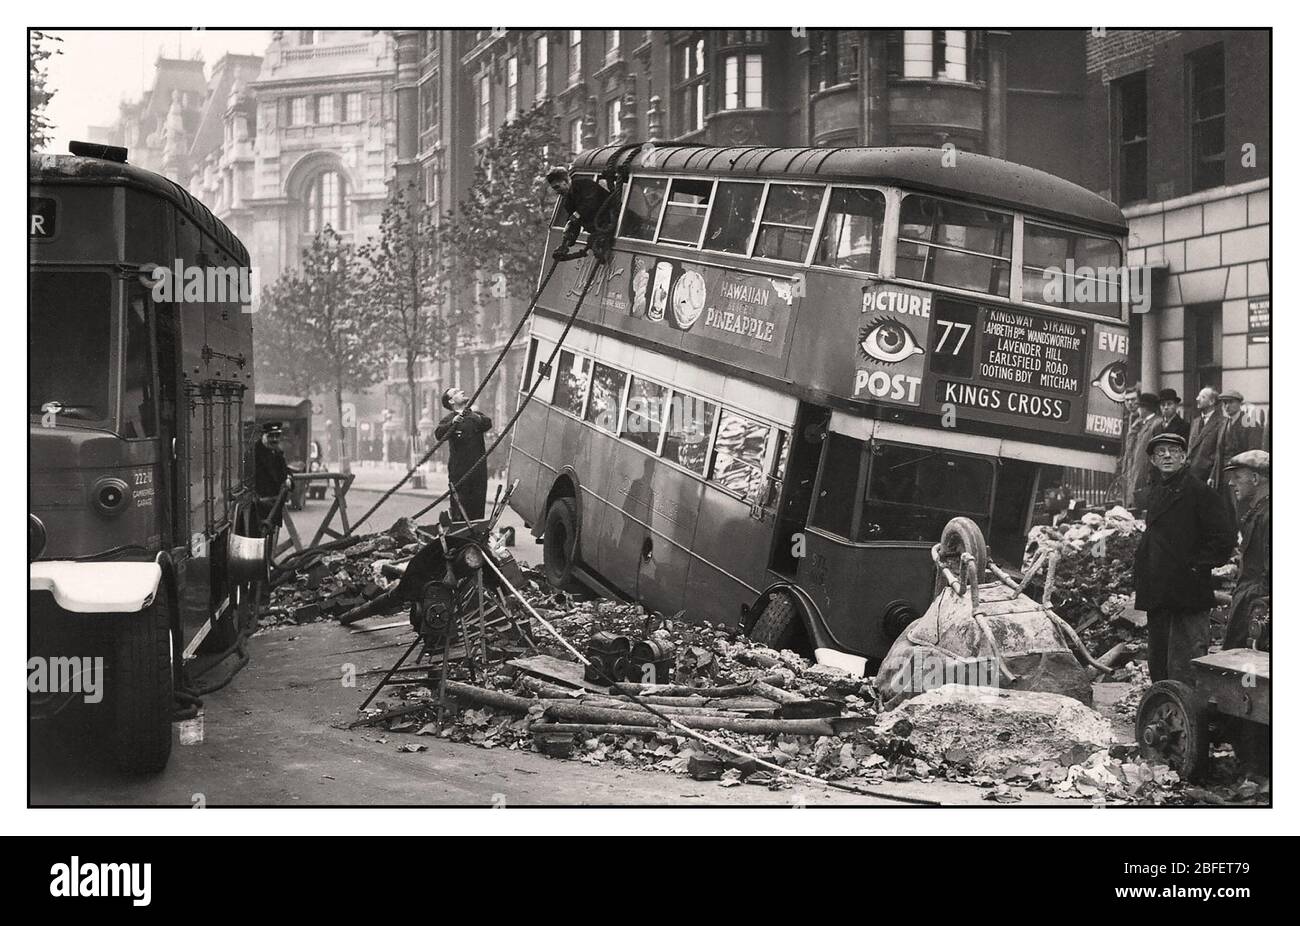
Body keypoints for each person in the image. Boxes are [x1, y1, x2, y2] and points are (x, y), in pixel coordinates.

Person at [1134, 432, 1236, 685]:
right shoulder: (1158, 490)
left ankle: (1189, 718)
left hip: (1186, 593)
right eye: (1160, 452)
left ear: (1183, 456)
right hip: (1159, 592)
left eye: (1173, 451)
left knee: (1186, 661)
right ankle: (1164, 711)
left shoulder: (1199, 492)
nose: (1167, 456)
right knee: (1159, 661)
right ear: (1154, 461)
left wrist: (1194, 567)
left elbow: (1224, 538)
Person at [1221, 450, 1270, 650]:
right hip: (1249, 600)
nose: (1232, 483)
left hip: (1255, 604)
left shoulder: (1268, 515)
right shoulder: (1259, 511)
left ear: (1256, 478)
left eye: (1237, 477)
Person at [435, 387, 493, 521]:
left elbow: (487, 423)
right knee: (460, 508)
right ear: (451, 401)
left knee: (477, 507)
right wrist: (452, 423)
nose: (461, 392)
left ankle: (475, 538)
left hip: (478, 471)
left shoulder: (475, 415)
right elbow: (439, 434)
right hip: (459, 472)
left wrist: (472, 415)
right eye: (456, 392)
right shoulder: (449, 419)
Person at [547, 166, 616, 263]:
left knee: (597, 245)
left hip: (615, 224)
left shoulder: (586, 185)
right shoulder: (568, 202)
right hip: (600, 230)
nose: (557, 191)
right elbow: (576, 223)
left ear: (565, 181)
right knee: (595, 243)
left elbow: (591, 203)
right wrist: (567, 243)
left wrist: (576, 216)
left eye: (557, 187)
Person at [1122, 392, 1162, 512]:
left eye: (1140, 407)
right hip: (1135, 471)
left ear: (1145, 408)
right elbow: (1130, 448)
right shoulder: (1141, 423)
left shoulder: (1157, 423)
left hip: (1146, 472)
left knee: (1141, 507)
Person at [254, 421, 294, 528]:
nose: (275, 439)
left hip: (274, 506)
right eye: (271, 436)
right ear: (263, 435)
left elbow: (285, 470)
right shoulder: (254, 453)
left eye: (277, 436)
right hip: (259, 507)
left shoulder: (277, 453)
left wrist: (289, 478)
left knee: (271, 539)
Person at [1186, 386, 1225, 484]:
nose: (1197, 399)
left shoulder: (1221, 422)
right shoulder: (1195, 422)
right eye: (1198, 396)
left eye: (1202, 397)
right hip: (1191, 474)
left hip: (1206, 476)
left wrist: (1213, 476)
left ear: (1211, 402)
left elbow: (1218, 452)